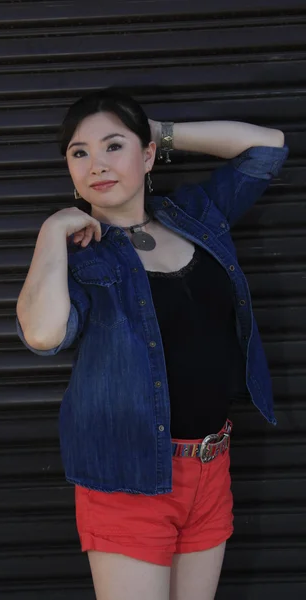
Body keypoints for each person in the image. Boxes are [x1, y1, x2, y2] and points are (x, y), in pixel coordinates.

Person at [16, 88, 288, 600]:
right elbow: (43, 334)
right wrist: (53, 231)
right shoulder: (79, 254)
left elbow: (268, 148)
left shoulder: (194, 214)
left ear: (146, 157)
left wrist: (159, 133)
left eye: (113, 146)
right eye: (79, 153)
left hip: (210, 465)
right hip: (128, 477)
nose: (96, 163)